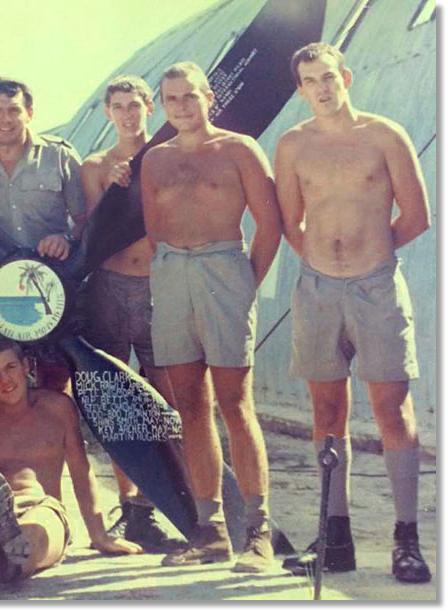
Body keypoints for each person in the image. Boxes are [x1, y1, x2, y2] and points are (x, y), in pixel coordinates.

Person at [274, 43, 432, 584]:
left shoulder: (385, 135)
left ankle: (406, 539)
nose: (321, 88)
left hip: (377, 285)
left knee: (392, 409)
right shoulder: (292, 145)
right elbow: (291, 222)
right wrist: (327, 262)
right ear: (300, 90)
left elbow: (416, 215)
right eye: (309, 81)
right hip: (318, 289)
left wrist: (369, 257)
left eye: (327, 77)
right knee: (326, 410)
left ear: (345, 77)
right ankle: (334, 539)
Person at [141, 62, 282, 572]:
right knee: (190, 407)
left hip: (224, 269)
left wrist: (243, 286)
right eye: (171, 99)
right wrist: (170, 273)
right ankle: (211, 532)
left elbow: (270, 225)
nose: (181, 106)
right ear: (162, 105)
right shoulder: (154, 160)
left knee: (235, 404)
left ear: (209, 98)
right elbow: (154, 231)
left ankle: (259, 534)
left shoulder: (239, 149)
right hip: (172, 273)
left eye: (190, 96)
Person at [0, 334, 142, 598]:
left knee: (33, 533)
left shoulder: (57, 408)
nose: (5, 380)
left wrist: (99, 536)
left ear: (26, 366)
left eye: (10, 368)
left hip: (42, 507)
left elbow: (80, 471)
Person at [79, 75, 181, 552]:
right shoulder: (96, 165)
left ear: (149, 108)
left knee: (167, 395)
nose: (127, 114)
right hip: (111, 285)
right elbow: (90, 229)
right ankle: (130, 505)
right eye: (118, 106)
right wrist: (114, 192)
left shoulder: (168, 153)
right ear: (107, 113)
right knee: (117, 396)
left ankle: (177, 501)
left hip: (157, 284)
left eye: (134, 105)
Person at [0, 76, 86, 393]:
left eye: (14, 110)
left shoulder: (59, 156)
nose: (5, 119)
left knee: (54, 380)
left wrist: (66, 239)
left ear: (30, 113)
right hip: (0, 289)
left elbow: (85, 218)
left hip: (54, 288)